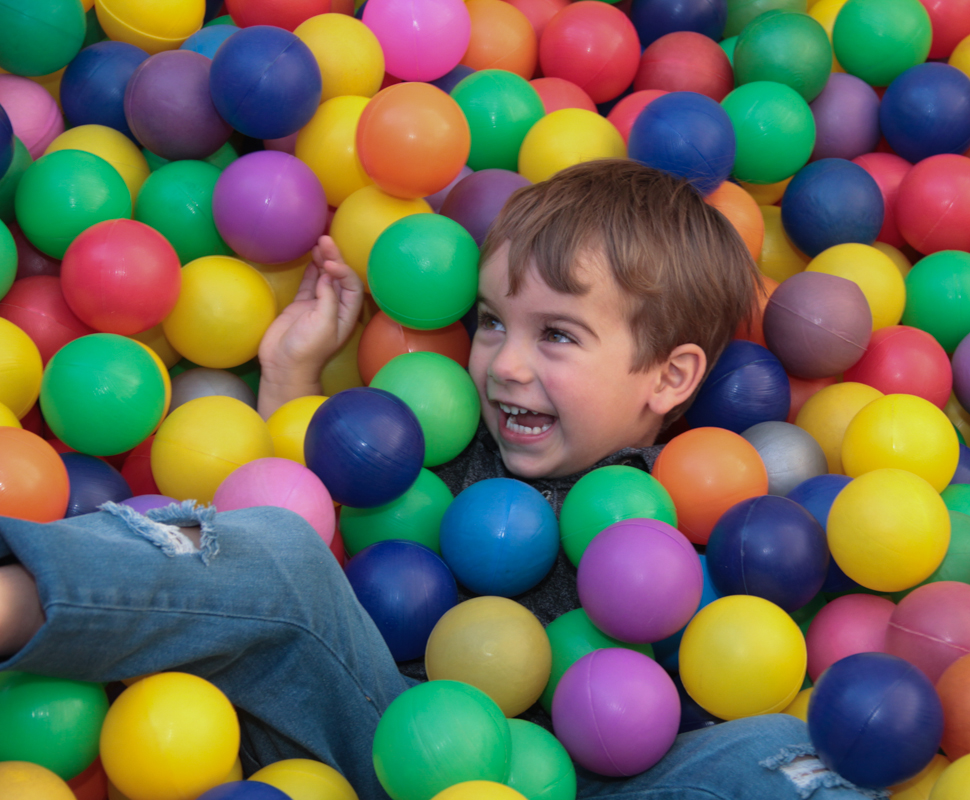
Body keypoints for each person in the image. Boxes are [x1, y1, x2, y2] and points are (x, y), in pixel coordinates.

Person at [0, 161, 877, 800]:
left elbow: (713, 685)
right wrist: (292, 381)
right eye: (493, 323)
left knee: (783, 748)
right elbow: (299, 515)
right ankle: (19, 599)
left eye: (557, 335)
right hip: (373, 742)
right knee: (279, 553)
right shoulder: (433, 445)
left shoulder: (696, 522)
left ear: (670, 377)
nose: (505, 364)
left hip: (584, 785)